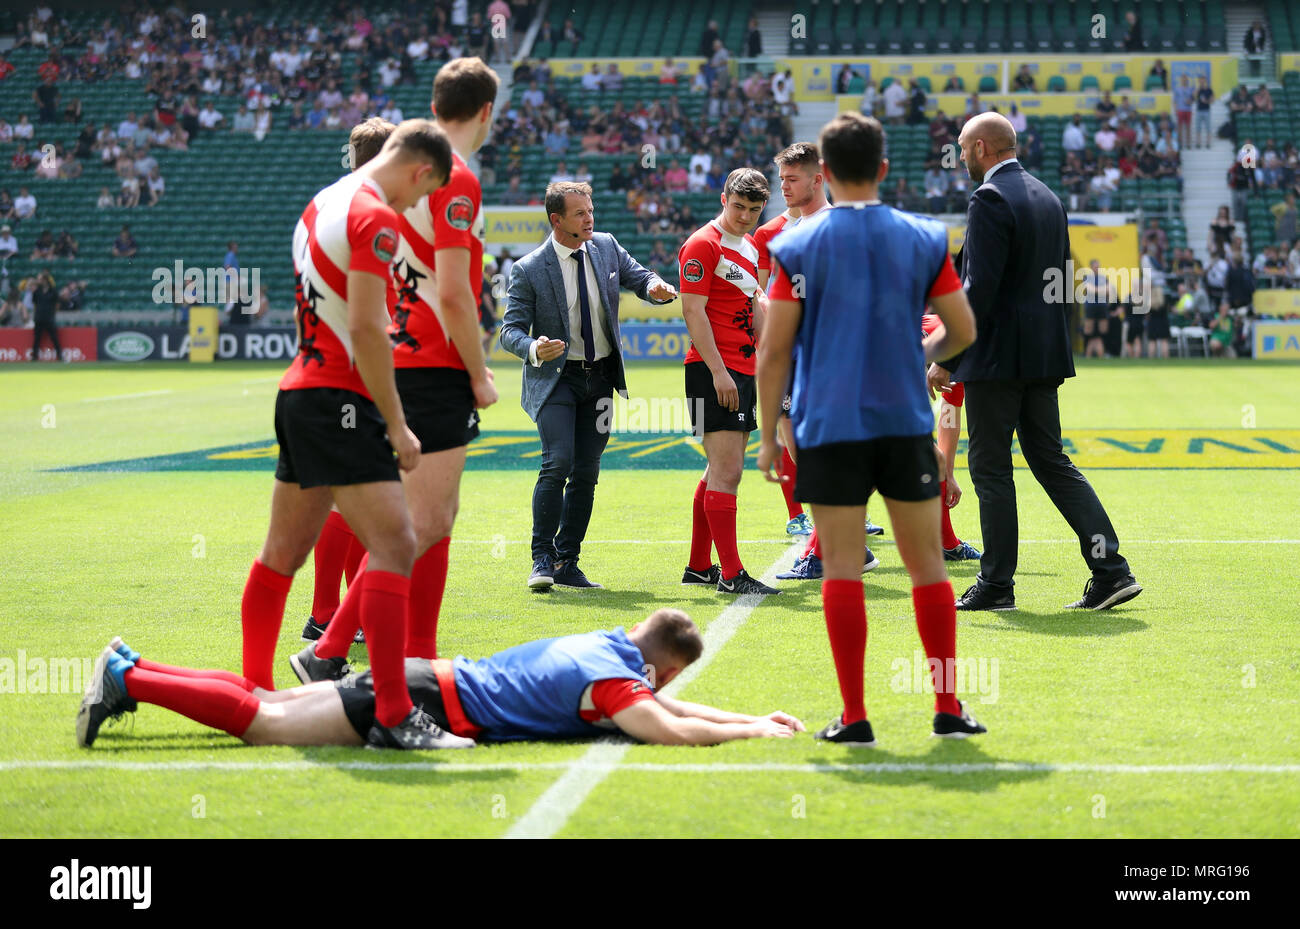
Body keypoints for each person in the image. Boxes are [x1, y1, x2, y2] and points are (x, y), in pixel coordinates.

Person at [757, 111, 984, 745]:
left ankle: (855, 717)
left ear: (824, 173)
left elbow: (774, 351)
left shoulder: (796, 246)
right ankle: (947, 708)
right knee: (928, 568)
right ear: (883, 168)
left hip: (828, 426)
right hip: (903, 422)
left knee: (841, 572)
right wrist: (920, 356)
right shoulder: (923, 237)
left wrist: (770, 433)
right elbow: (962, 329)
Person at [237, 120, 456, 751]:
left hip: (300, 392)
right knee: (396, 544)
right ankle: (393, 714)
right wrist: (396, 422)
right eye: (425, 192)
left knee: (281, 554)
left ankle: (255, 695)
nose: (417, 206)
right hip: (342, 398)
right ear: (419, 171)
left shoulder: (320, 203)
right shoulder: (374, 217)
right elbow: (364, 328)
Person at [302, 59, 502, 673]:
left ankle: (384, 654)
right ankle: (345, 651)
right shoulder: (456, 176)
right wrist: (478, 371)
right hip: (433, 360)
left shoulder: (398, 171)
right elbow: (453, 293)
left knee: (423, 520)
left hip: (399, 353)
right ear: (486, 112)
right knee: (423, 522)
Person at [928, 112, 1141, 612]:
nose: (959, 157)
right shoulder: (1049, 196)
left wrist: (947, 356)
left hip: (998, 360)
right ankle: (1111, 570)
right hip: (1041, 358)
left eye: (962, 147)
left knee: (990, 468)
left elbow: (978, 290)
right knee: (1051, 462)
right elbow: (1065, 281)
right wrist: (1057, 348)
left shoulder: (988, 197)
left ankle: (997, 584)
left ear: (981, 147)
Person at [77, 613, 805, 749]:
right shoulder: (616, 685)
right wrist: (754, 728)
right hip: (429, 698)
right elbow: (667, 726)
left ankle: (135, 664)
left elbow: (663, 704)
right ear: (662, 667)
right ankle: (131, 680)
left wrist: (744, 711)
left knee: (266, 700)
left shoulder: (607, 646)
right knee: (263, 723)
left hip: (427, 674)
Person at [500, 182, 676, 590]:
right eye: (580, 213)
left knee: (587, 471)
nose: (590, 218)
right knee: (557, 461)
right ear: (556, 220)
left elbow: (640, 276)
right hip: (556, 380)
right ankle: (541, 558)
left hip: (599, 380)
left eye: (591, 210)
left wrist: (654, 287)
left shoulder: (607, 246)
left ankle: (568, 561)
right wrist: (533, 347)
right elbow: (509, 330)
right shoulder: (529, 268)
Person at [677, 168, 778, 596]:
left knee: (717, 469)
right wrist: (719, 371)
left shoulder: (752, 247)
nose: (745, 216)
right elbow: (693, 311)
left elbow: (752, 305)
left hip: (744, 366)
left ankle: (700, 567)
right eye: (738, 207)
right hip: (712, 368)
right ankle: (732, 575)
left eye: (754, 209)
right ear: (723, 200)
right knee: (728, 472)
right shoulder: (703, 244)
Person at [751, 143, 831, 543]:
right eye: (781, 179)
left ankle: (834, 540)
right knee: (803, 449)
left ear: (818, 180)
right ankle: (831, 538)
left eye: (792, 179)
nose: (783, 186)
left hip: (827, 358)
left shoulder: (836, 227)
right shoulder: (789, 232)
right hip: (797, 358)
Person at [30, 269, 61, 361]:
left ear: (45, 280)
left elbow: (57, 303)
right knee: (36, 338)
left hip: (49, 318)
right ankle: (34, 356)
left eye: (40, 279)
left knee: (54, 337)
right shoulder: (37, 291)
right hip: (39, 317)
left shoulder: (53, 291)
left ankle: (60, 355)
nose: (38, 281)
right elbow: (34, 301)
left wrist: (52, 313)